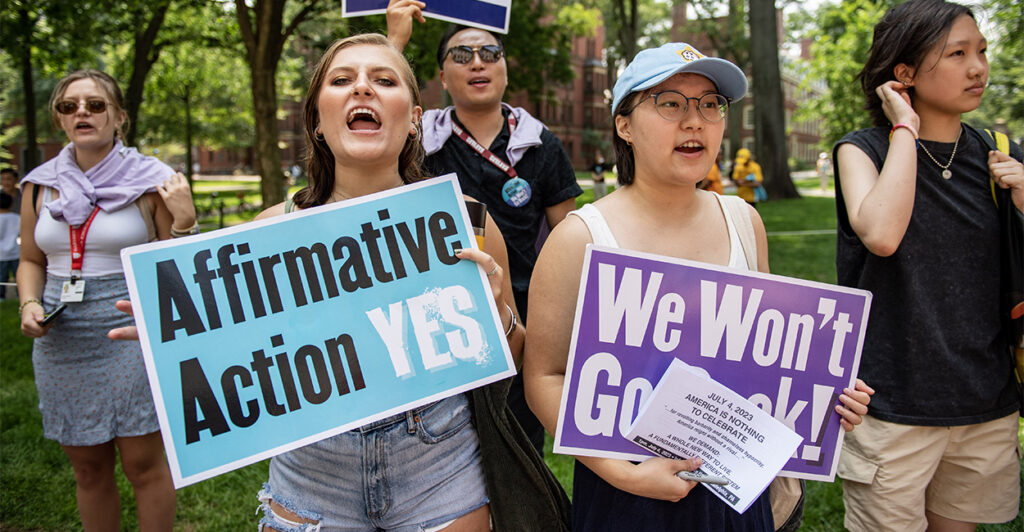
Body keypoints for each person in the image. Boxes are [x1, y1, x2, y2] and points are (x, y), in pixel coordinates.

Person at [523, 42, 873, 531]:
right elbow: (544, 378)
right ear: (625, 125)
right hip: (626, 500)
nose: (695, 121)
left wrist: (827, 398)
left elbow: (770, 363)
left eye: (711, 104)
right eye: (670, 103)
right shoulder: (580, 238)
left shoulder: (744, 222)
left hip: (738, 496)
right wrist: (623, 473)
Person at [250, 33, 569, 531]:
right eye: (341, 80)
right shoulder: (271, 229)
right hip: (313, 471)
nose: (362, 90)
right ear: (316, 117)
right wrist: (187, 346)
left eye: (383, 80)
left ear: (416, 117)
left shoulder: (471, 224)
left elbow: (513, 359)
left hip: (440, 465)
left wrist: (498, 314)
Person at [832, 1, 1023, 531]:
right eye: (957, 53)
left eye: (981, 51)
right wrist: (906, 128)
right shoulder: (862, 150)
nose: (978, 67)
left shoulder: (1001, 154)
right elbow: (882, 235)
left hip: (984, 401)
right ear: (905, 73)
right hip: (890, 406)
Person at [387, 0, 583, 455]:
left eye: (490, 53)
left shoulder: (540, 145)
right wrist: (395, 42)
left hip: (518, 328)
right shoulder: (417, 143)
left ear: (506, 70)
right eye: (460, 55)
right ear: (441, 78)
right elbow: (377, 112)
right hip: (436, 326)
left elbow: (565, 245)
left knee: (515, 454)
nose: (477, 62)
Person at [17, 69, 196, 531]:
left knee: (142, 465)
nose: (81, 112)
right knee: (88, 469)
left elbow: (176, 263)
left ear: (119, 117)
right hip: (62, 336)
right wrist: (29, 303)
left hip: (128, 328)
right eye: (69, 105)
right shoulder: (39, 185)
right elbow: (32, 259)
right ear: (59, 120)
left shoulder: (153, 181)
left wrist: (185, 222)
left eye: (95, 105)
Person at [0, 192, 18, 298]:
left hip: (1, 254)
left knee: (2, 277)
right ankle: (19, 295)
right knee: (18, 276)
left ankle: (1, 297)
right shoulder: (17, 218)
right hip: (15, 251)